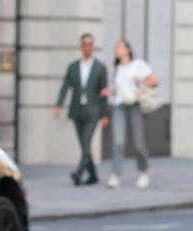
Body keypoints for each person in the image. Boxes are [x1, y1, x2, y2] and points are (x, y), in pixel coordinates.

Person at [54, 33, 109, 186]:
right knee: (84, 145)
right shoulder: (73, 67)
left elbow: (103, 92)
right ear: (81, 46)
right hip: (77, 110)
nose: (87, 47)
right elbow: (65, 87)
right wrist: (59, 105)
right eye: (85, 44)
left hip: (93, 110)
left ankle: (79, 172)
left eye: (90, 44)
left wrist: (104, 114)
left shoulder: (100, 68)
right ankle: (93, 175)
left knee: (86, 142)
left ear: (93, 46)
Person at [103, 38, 157, 189]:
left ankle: (144, 172)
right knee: (118, 142)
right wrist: (109, 91)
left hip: (136, 105)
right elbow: (118, 88)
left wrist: (140, 80)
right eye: (116, 47)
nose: (117, 49)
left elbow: (154, 81)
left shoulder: (138, 65)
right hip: (120, 106)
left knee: (139, 144)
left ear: (128, 50)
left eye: (119, 46)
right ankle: (115, 175)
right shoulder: (118, 68)